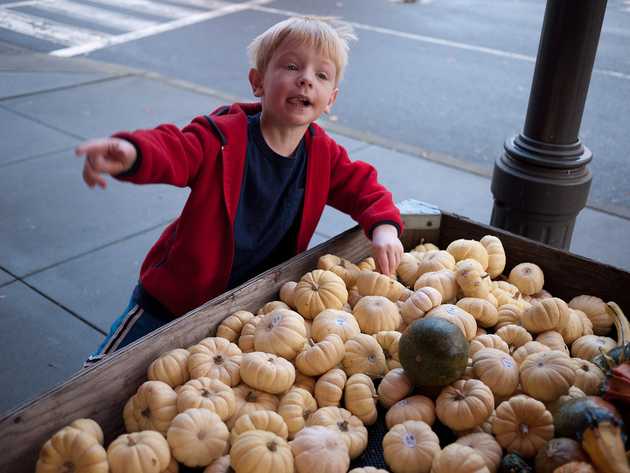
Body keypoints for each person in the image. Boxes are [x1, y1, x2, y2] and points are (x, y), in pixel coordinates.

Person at [76, 16, 404, 363]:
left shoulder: (323, 155)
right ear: (258, 81)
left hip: (244, 311)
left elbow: (364, 187)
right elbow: (176, 149)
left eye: (321, 75)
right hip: (174, 301)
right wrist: (133, 153)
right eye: (292, 66)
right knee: (101, 375)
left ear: (330, 99)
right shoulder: (220, 137)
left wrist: (383, 228)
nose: (306, 78)